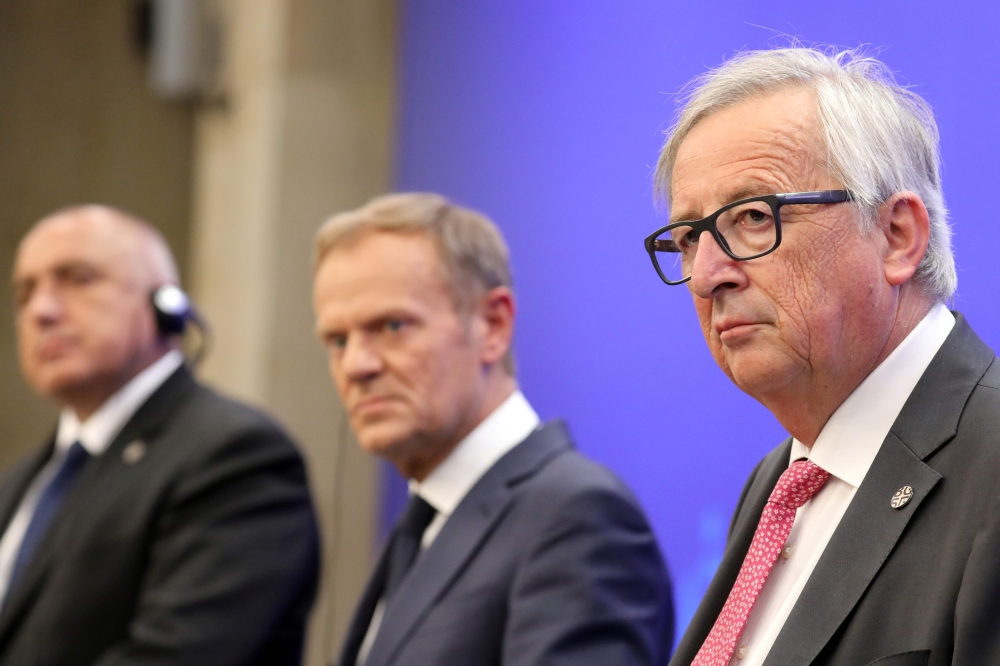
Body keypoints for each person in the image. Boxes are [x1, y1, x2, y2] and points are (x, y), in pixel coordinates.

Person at [643, 47, 1000, 666]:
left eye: (753, 217)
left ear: (897, 237)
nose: (705, 276)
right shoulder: (780, 481)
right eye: (686, 239)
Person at [313, 193, 674, 666]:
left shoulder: (577, 515)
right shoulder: (423, 522)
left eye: (392, 325)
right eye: (337, 340)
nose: (356, 365)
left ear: (492, 325)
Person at [2, 205, 319, 665]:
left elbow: (178, 655)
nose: (42, 310)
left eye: (77, 278)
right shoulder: (20, 483)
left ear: (165, 308)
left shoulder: (236, 456)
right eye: (25, 293)